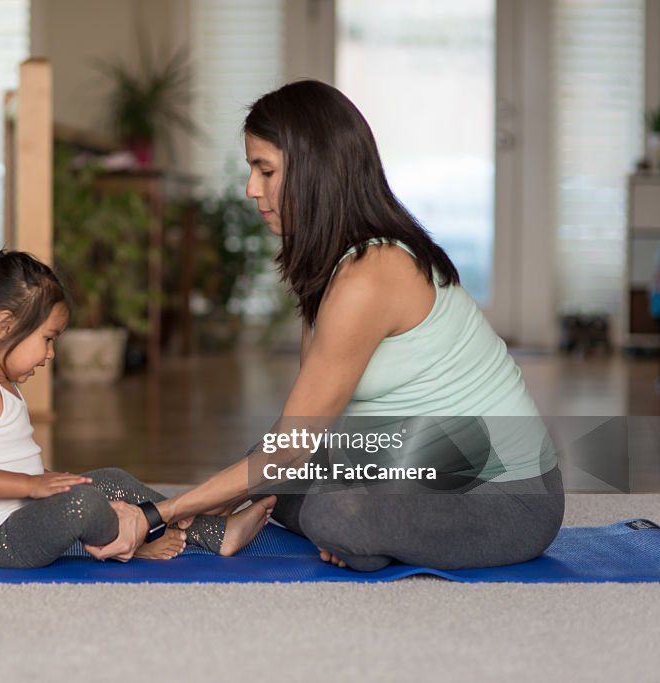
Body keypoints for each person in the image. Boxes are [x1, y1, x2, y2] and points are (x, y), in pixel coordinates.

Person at [88, 80, 565, 571]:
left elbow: (291, 450)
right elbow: (300, 432)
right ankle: (265, 528)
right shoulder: (330, 266)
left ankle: (364, 539)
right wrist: (221, 500)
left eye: (265, 170)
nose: (251, 188)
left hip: (505, 496)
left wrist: (159, 513)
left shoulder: (373, 273)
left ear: (315, 171)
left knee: (334, 510)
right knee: (272, 466)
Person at [0, 243, 275, 568]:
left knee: (108, 481)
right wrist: (33, 486)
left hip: (22, 514)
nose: (51, 353)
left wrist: (48, 480)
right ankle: (132, 543)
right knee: (84, 503)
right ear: (4, 326)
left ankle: (215, 533)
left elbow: (8, 462)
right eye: (47, 339)